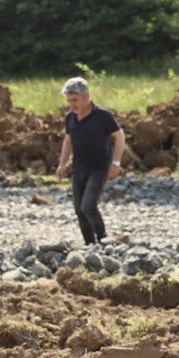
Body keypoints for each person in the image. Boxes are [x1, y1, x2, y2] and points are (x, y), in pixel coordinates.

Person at [55, 77, 125, 245]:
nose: (72, 104)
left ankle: (103, 239)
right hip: (79, 167)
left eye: (75, 100)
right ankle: (89, 245)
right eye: (69, 100)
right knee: (79, 210)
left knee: (88, 206)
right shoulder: (70, 118)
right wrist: (62, 164)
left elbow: (120, 136)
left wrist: (116, 163)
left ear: (86, 97)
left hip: (99, 168)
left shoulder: (102, 116)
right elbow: (68, 140)